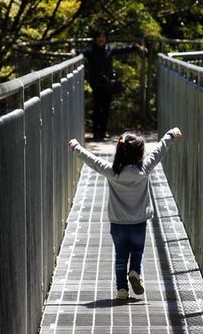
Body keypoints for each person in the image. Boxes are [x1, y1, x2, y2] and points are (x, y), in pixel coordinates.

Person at [68, 128, 182, 299]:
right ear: (139, 154)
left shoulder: (112, 172)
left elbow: (92, 161)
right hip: (138, 222)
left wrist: (76, 147)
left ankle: (121, 289)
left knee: (120, 256)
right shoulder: (144, 169)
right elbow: (159, 150)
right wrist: (170, 135)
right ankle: (135, 272)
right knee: (137, 251)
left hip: (118, 223)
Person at [80, 29, 148, 141]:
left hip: (107, 84)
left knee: (106, 108)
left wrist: (136, 47)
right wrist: (73, 51)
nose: (101, 39)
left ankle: (103, 131)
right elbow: (80, 53)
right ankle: (96, 132)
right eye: (99, 37)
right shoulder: (91, 52)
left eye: (103, 36)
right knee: (97, 108)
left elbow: (122, 50)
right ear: (95, 39)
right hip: (97, 85)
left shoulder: (108, 51)